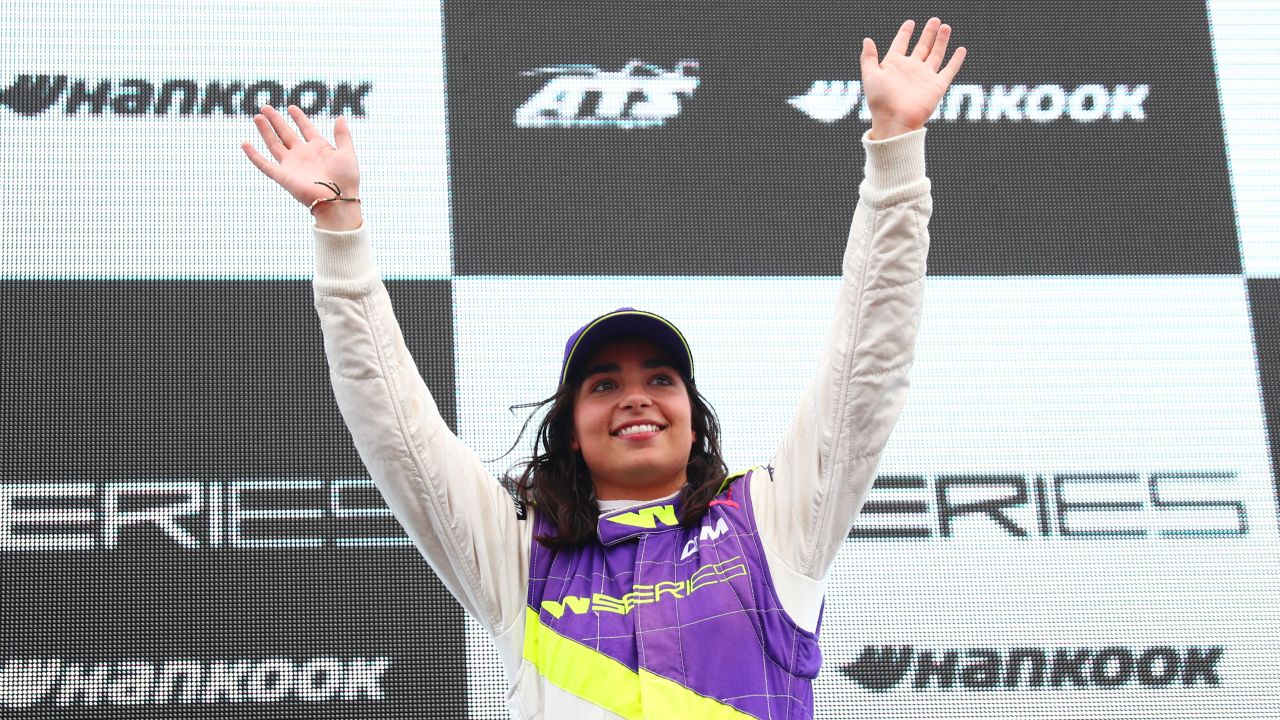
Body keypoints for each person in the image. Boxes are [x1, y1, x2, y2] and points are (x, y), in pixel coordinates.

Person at [243, 17, 965, 720]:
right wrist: (340, 229)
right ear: (572, 431)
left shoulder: (771, 521)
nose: (635, 398)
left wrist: (895, 153)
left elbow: (865, 368)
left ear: (693, 413)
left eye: (660, 378)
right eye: (604, 384)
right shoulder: (517, 552)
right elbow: (394, 428)